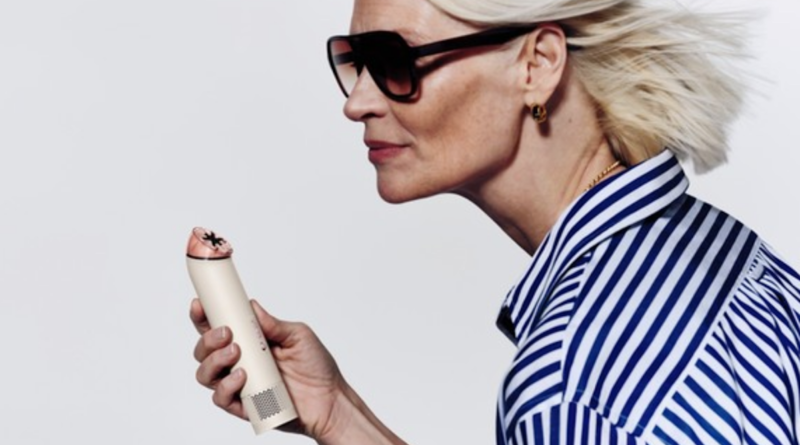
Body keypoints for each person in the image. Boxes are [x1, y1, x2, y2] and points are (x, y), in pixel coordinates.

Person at [190, 0, 800, 443]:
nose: (357, 102)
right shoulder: (719, 248)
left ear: (537, 64)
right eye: (355, 62)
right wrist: (339, 414)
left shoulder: (569, 388)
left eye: (395, 61)